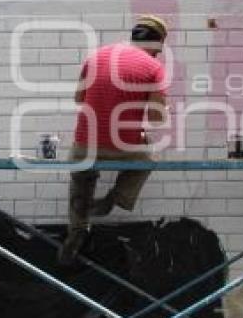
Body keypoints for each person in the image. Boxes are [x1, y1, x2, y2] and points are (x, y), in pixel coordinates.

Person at [59, 15, 170, 264]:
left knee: (81, 173)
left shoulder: (96, 56)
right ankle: (113, 199)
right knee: (149, 158)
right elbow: (155, 117)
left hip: (85, 144)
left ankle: (77, 230)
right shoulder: (154, 68)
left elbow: (79, 98)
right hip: (123, 146)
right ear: (158, 44)